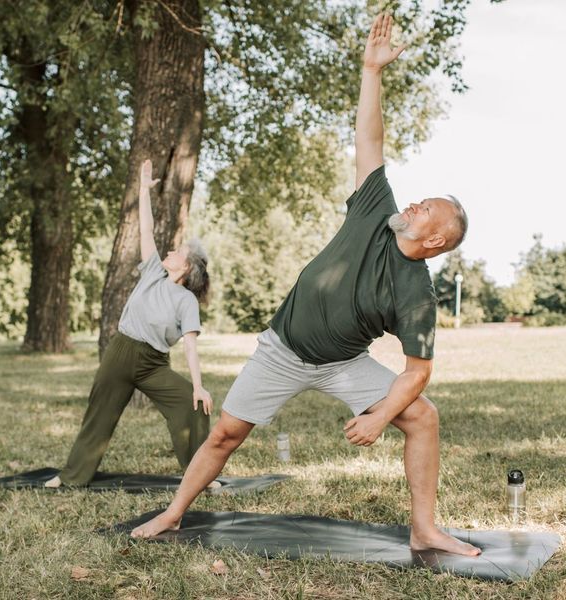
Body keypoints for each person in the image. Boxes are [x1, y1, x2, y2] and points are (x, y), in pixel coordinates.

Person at [130, 14, 480, 556]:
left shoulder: (416, 292)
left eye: (427, 208)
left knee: (423, 417)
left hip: (341, 362)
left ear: (435, 240)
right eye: (420, 198)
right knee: (225, 435)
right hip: (282, 348)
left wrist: (381, 416)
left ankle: (424, 529)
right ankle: (173, 515)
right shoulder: (376, 209)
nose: (415, 203)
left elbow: (418, 372)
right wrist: (371, 71)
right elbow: (369, 136)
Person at [45, 159, 213, 488]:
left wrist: (198, 385)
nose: (170, 249)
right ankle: (71, 477)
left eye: (177, 251)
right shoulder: (152, 271)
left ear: (186, 268)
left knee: (192, 405)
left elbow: (191, 346)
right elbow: (146, 229)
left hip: (153, 364)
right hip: (121, 353)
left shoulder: (186, 301)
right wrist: (143, 190)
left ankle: (201, 478)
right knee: (99, 414)